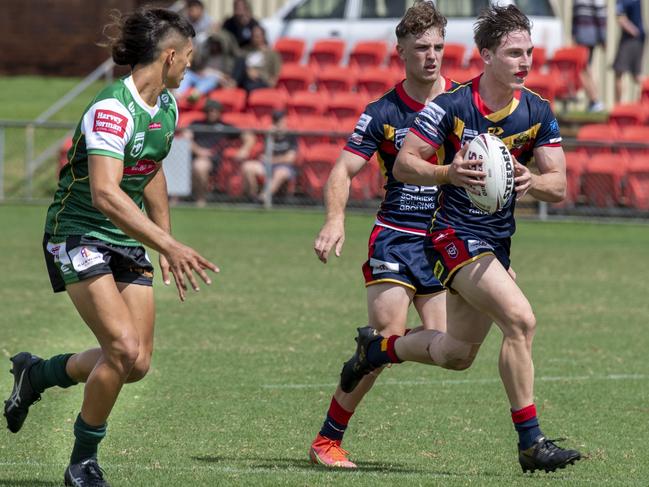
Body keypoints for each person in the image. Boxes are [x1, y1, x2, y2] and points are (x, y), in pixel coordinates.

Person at [339, 5, 582, 474]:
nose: (524, 62)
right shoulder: (451, 106)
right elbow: (407, 162)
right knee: (521, 321)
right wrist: (450, 171)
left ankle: (378, 350)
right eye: (514, 53)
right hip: (451, 236)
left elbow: (560, 185)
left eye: (528, 53)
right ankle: (531, 442)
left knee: (455, 354)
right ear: (486, 55)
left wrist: (529, 179)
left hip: (496, 242)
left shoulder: (537, 110)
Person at [3, 8, 218, 487]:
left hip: (127, 235)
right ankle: (82, 462)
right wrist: (166, 242)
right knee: (120, 348)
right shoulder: (111, 109)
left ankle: (35, 376)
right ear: (168, 56)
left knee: (136, 364)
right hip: (77, 230)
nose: (190, 67)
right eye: (188, 57)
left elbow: (152, 166)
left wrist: (164, 238)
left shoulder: (167, 105)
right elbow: (105, 193)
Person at [309, 1, 455, 469]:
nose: (431, 56)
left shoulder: (464, 102)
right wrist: (335, 219)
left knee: (446, 347)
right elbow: (342, 170)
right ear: (401, 51)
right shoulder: (382, 112)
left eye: (437, 47)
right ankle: (327, 440)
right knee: (392, 330)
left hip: (443, 242)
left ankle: (371, 351)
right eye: (420, 48)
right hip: (395, 235)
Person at [185, 99, 255, 206]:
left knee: (200, 166)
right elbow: (186, 138)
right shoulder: (196, 124)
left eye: (215, 110)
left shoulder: (225, 126)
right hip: (193, 157)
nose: (212, 113)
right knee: (199, 164)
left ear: (219, 112)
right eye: (209, 110)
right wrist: (199, 151)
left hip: (216, 160)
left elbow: (249, 137)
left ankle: (201, 199)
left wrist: (244, 150)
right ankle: (194, 197)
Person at [241, 110, 297, 201]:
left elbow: (290, 158)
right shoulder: (269, 135)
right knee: (247, 167)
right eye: (276, 121)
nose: (278, 124)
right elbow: (248, 132)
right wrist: (269, 135)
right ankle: (253, 197)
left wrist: (272, 160)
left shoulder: (291, 136)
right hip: (267, 165)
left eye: (280, 121)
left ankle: (263, 197)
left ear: (285, 121)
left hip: (283, 166)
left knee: (281, 173)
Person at [572, 0, 606, 112]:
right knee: (584, 69)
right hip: (581, 37)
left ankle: (595, 101)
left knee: (585, 69)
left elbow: (600, 15)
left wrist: (603, 38)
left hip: (589, 37)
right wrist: (574, 35)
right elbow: (575, 17)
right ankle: (594, 101)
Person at [613, 0, 645, 103]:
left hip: (630, 39)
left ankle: (618, 106)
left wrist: (634, 31)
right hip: (638, 38)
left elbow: (621, 19)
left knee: (619, 72)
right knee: (636, 75)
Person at [234, 25, 282, 92]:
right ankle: (233, 83)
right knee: (241, 60)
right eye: (253, 36)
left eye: (257, 37)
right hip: (245, 78)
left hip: (261, 80)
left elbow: (276, 73)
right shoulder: (246, 51)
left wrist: (259, 74)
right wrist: (247, 70)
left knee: (249, 86)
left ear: (263, 37)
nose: (254, 39)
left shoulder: (272, 54)